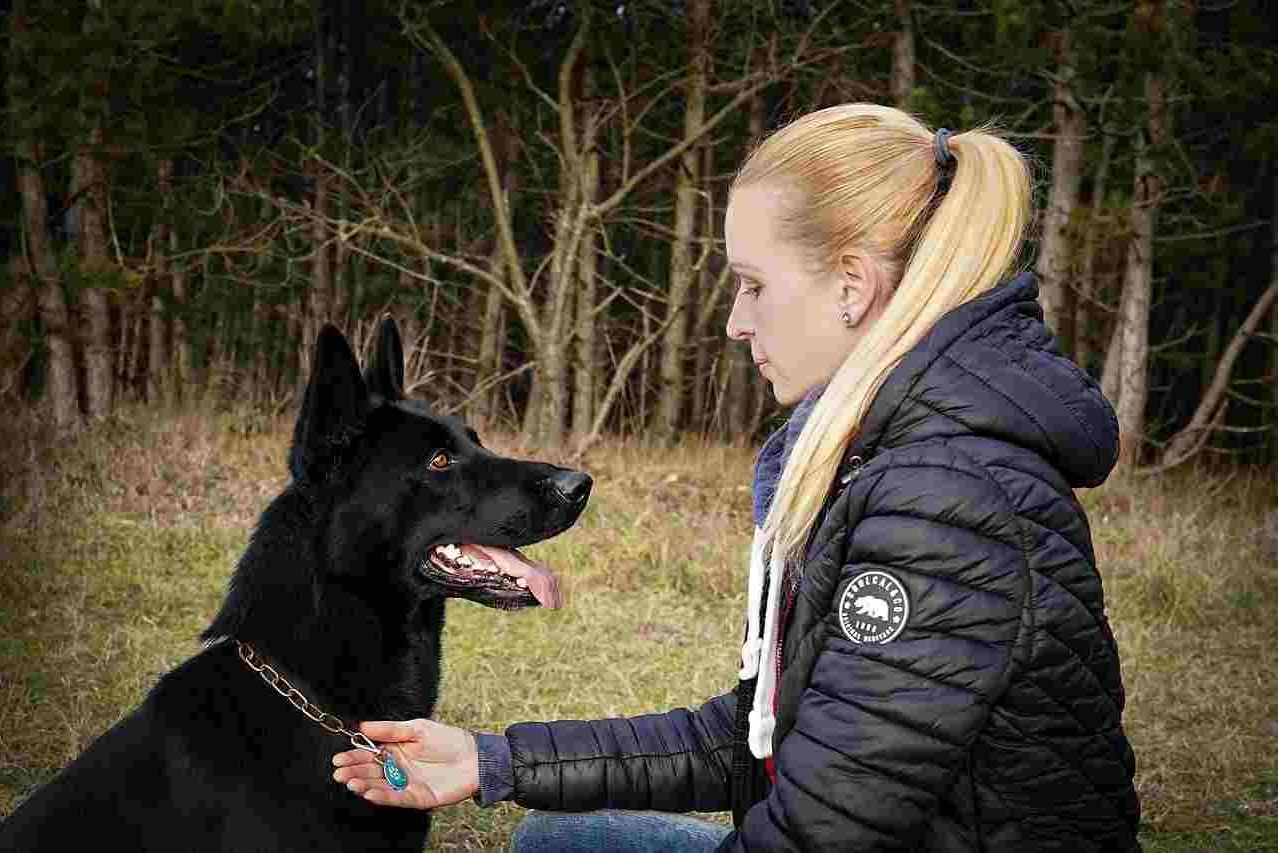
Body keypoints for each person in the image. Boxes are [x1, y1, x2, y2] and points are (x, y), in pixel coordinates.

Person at [331, 103, 1142, 853]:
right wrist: (492, 761)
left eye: (754, 284)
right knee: (554, 839)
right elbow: (757, 738)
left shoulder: (947, 494)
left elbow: (818, 832)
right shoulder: (875, 453)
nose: (734, 320)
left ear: (853, 286)